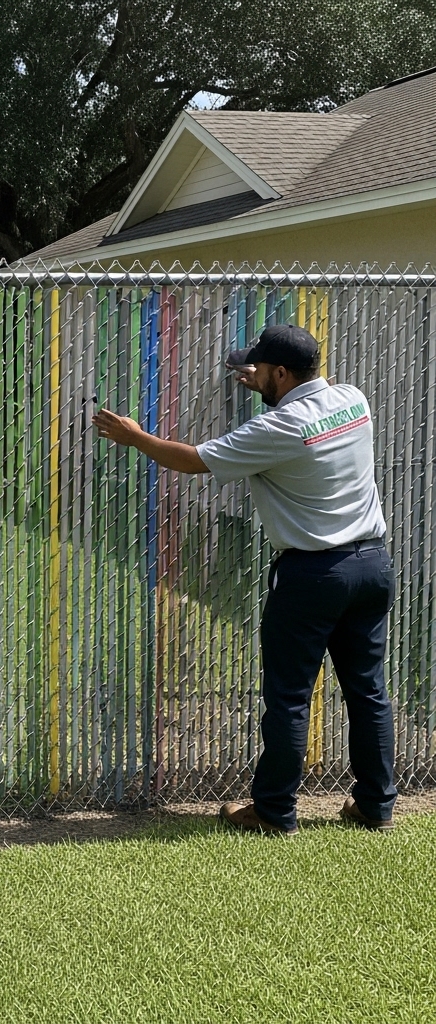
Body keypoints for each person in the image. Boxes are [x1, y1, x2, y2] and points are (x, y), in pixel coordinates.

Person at [93, 324, 396, 836]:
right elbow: (304, 419)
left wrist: (134, 436)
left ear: (281, 372)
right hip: (371, 565)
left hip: (313, 574)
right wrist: (268, 389)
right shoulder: (352, 399)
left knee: (289, 695)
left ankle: (274, 811)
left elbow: (194, 461)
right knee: (367, 693)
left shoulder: (277, 429)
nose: (249, 373)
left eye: (258, 368)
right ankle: (375, 806)